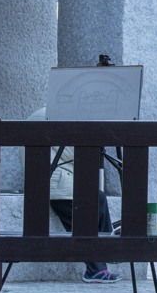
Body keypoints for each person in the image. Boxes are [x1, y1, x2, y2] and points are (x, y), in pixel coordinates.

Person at [26, 108, 122, 284]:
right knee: (82, 224)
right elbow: (79, 151)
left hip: (56, 177)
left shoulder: (54, 113)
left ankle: (108, 248)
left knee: (98, 198)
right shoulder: (60, 117)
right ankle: (97, 268)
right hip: (55, 182)